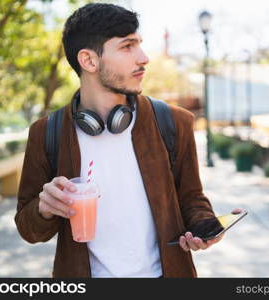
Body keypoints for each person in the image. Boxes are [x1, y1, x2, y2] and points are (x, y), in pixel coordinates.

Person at [15, 2, 239, 278]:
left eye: (140, 44)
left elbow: (192, 197)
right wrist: (43, 208)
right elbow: (28, 229)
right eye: (127, 46)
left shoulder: (173, 122)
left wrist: (204, 225)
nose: (144, 57)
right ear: (89, 61)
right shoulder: (46, 132)